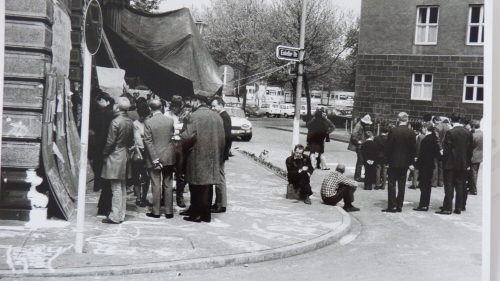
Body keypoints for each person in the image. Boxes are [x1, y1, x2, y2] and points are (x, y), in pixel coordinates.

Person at [180, 94, 225, 223]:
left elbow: (188, 136)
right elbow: (222, 139)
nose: (190, 104)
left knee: (196, 185)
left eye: (192, 101)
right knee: (208, 185)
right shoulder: (217, 116)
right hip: (213, 155)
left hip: (197, 154)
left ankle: (196, 214)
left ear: (197, 101)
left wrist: (180, 135)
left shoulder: (194, 116)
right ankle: (206, 215)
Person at [101, 97, 135, 224]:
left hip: (115, 155)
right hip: (125, 154)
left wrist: (104, 154)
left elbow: (110, 141)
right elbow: (131, 140)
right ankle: (121, 214)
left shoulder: (115, 121)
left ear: (118, 107)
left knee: (115, 187)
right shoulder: (130, 121)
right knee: (122, 186)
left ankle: (115, 215)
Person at [143, 99, 176, 219]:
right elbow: (171, 137)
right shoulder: (170, 121)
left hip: (154, 157)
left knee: (155, 183)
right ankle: (169, 211)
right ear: (161, 107)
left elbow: (148, 141)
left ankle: (156, 211)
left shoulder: (148, 122)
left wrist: (155, 159)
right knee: (168, 183)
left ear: (150, 108)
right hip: (168, 156)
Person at [436, 116, 473, 215]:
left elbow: (447, 150)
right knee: (460, 186)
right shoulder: (468, 133)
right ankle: (458, 207)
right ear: (460, 121)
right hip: (463, 164)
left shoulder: (450, 132)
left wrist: (443, 160)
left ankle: (447, 208)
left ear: (451, 121)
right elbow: (470, 150)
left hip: (450, 163)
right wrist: (468, 163)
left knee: (449, 186)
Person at [382, 112, 416, 213]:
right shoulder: (411, 132)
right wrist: (411, 162)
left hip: (393, 161)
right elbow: (413, 149)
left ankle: (392, 206)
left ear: (398, 119)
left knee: (392, 184)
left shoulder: (393, 131)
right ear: (407, 120)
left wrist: (386, 160)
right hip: (405, 163)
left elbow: (389, 147)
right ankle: (399, 205)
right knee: (402, 184)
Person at [92, 92, 115, 217]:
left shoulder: (105, 115)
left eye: (99, 100)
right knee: (107, 180)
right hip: (106, 150)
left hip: (103, 150)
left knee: (106, 180)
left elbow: (102, 136)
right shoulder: (109, 115)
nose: (97, 102)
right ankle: (104, 206)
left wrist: (103, 152)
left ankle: (104, 206)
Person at [165, 95, 187, 208]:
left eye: (178, 106)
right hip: (170, 144)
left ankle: (179, 197)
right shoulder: (167, 115)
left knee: (180, 174)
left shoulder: (184, 115)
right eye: (174, 106)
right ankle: (165, 197)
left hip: (181, 146)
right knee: (168, 172)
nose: (175, 109)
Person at [210, 96, 232, 213]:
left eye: (214, 106)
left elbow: (227, 137)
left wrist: (222, 151)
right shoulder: (222, 116)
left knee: (220, 178)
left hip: (220, 152)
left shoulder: (224, 118)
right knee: (218, 177)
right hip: (221, 151)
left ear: (221, 105)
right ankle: (218, 202)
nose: (213, 108)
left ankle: (221, 204)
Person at [413, 123, 441, 211]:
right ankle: (426, 204)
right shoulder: (434, 139)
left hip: (424, 165)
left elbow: (422, 155)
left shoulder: (425, 140)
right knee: (427, 186)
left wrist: (416, 165)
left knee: (423, 186)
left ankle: (423, 205)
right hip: (431, 165)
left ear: (425, 128)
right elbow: (437, 154)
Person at [131, 97, 151, 207]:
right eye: (142, 116)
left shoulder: (147, 123)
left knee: (147, 177)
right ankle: (139, 198)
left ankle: (143, 197)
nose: (144, 118)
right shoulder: (135, 124)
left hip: (147, 152)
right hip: (139, 152)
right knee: (137, 176)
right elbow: (137, 140)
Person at [348, 114, 372, 182]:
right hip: (359, 146)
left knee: (361, 161)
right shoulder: (359, 126)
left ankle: (358, 176)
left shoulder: (361, 125)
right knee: (360, 161)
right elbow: (353, 135)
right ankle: (357, 177)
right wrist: (359, 141)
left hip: (360, 145)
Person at [432, 116, 450, 187]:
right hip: (445, 148)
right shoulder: (447, 127)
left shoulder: (436, 128)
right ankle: (441, 182)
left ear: (436, 121)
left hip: (437, 149)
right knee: (441, 166)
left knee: (435, 165)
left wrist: (440, 148)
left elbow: (437, 139)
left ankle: (434, 182)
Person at [409, 123, 425, 190]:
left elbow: (418, 147)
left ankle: (414, 184)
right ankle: (421, 183)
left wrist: (416, 156)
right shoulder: (429, 136)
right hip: (425, 156)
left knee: (416, 170)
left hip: (419, 155)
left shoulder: (420, 137)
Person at [468, 120, 482, 196]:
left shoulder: (474, 135)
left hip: (474, 156)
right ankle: (472, 188)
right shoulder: (482, 134)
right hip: (480, 156)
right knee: (475, 173)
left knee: (473, 173)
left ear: (473, 127)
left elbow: (470, 146)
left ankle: (473, 190)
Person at [374, 126, 389, 190]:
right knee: (385, 171)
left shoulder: (377, 138)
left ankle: (377, 184)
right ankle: (383, 185)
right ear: (387, 132)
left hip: (378, 156)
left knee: (378, 170)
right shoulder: (389, 139)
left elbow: (374, 147)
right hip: (386, 156)